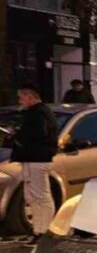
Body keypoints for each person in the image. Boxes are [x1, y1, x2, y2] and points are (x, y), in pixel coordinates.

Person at [11, 87, 59, 239]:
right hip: (33, 158)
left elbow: (38, 134)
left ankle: (43, 231)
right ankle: (37, 230)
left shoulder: (38, 113)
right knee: (32, 196)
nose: (20, 102)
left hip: (37, 159)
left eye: (21, 98)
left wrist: (18, 135)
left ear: (30, 97)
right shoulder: (39, 112)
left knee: (41, 196)